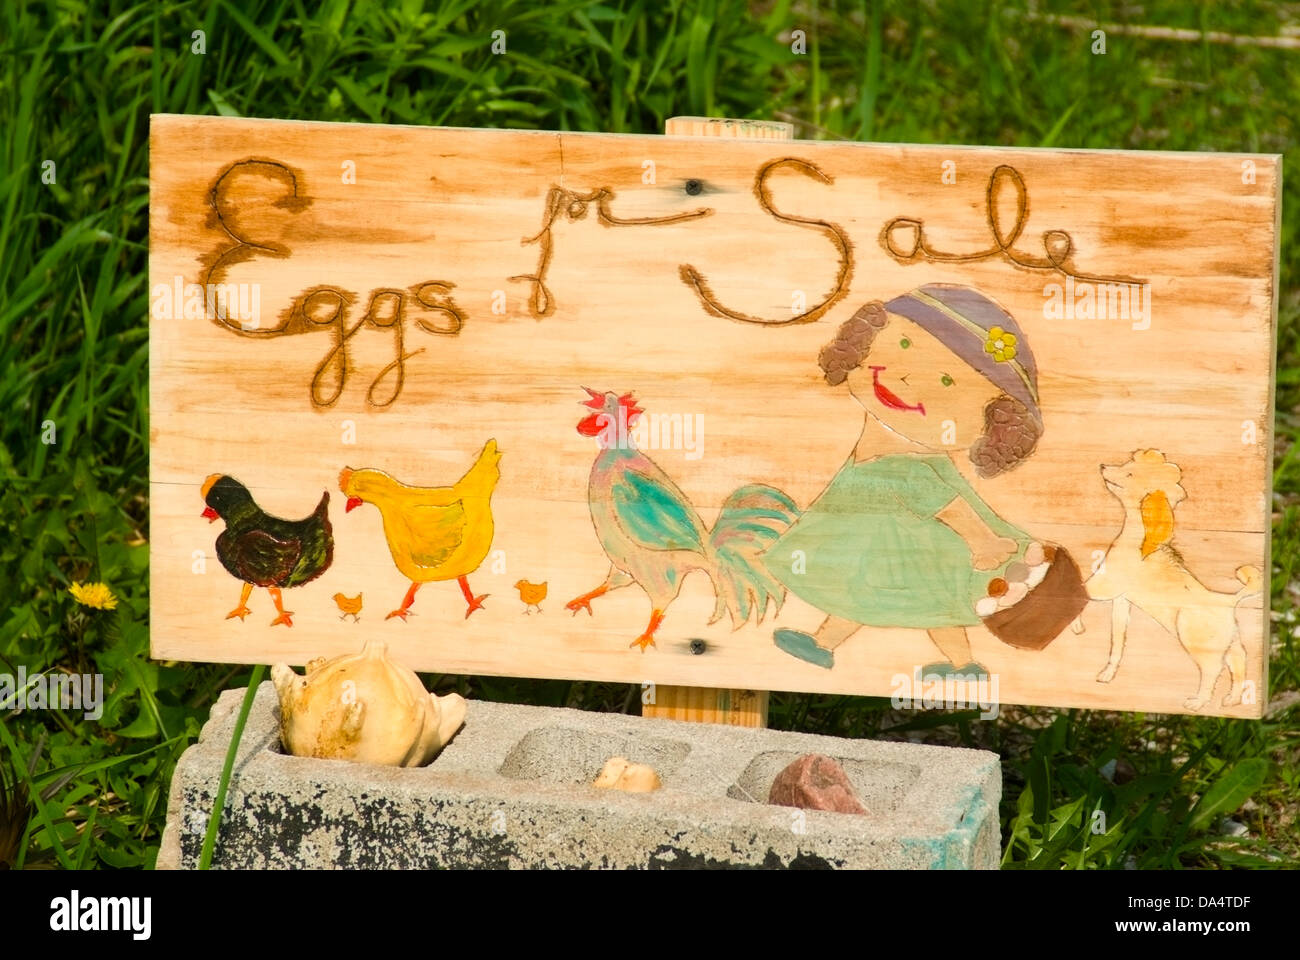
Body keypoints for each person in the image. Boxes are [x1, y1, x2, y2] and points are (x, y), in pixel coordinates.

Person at [768, 283, 1044, 675]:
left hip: (912, 547)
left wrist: (982, 541)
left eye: (947, 381)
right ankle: (830, 644)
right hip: (892, 547)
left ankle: (959, 663)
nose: (906, 378)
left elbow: (944, 501)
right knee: (877, 593)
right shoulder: (884, 450)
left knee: (894, 595)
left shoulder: (904, 465)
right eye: (902, 347)